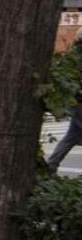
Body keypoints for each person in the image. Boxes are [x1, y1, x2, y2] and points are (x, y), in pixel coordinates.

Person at [47, 32, 82, 173]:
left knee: (71, 137)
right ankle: (51, 165)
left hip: (75, 101)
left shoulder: (74, 54)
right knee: (70, 137)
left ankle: (51, 166)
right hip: (80, 101)